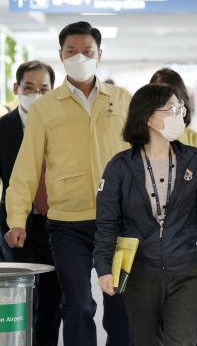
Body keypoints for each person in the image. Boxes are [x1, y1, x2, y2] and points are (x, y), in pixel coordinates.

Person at [5, 22, 133, 346]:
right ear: (60, 55)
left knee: (121, 305)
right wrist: (17, 218)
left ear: (99, 54)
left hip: (119, 221)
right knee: (77, 305)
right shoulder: (45, 108)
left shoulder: (123, 100)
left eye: (87, 51)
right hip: (67, 223)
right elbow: (27, 166)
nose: (80, 57)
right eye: (72, 51)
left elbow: (142, 158)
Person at [94, 83, 197, 346]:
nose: (180, 114)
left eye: (181, 108)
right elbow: (107, 223)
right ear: (149, 117)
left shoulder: (193, 161)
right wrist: (104, 268)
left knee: (181, 341)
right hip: (141, 272)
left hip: (186, 270)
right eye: (172, 109)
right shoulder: (120, 167)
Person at [0, 61, 61, 346]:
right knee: (21, 298)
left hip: (58, 225)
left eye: (43, 89)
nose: (36, 94)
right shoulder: (3, 129)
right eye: (29, 88)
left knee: (52, 302)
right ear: (17, 89)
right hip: (16, 227)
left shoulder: (62, 127)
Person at [150, 68, 197, 152]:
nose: (174, 113)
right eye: (168, 106)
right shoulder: (139, 140)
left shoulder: (193, 138)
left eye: (179, 106)